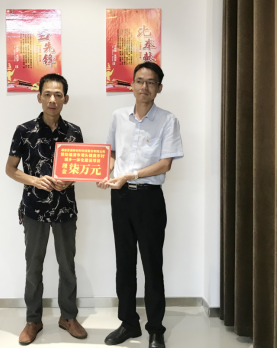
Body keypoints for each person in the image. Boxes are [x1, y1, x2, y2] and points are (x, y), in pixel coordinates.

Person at [97, 62, 184, 348]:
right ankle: (129, 323)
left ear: (159, 88)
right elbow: (111, 152)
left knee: (152, 264)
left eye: (150, 82)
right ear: (132, 85)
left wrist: (129, 175)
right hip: (120, 198)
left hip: (149, 199)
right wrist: (106, 172)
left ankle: (156, 327)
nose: (144, 87)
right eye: (139, 81)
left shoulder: (168, 120)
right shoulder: (118, 116)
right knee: (124, 264)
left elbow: (165, 163)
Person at [6, 73, 87, 345]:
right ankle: (33, 320)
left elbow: (81, 169)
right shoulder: (24, 130)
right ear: (39, 96)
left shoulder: (74, 132)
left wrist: (69, 180)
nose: (53, 99)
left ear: (66, 99)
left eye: (58, 95)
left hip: (65, 209)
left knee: (67, 266)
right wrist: (34, 180)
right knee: (34, 267)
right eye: (48, 94)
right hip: (34, 210)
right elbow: (10, 169)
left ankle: (68, 317)